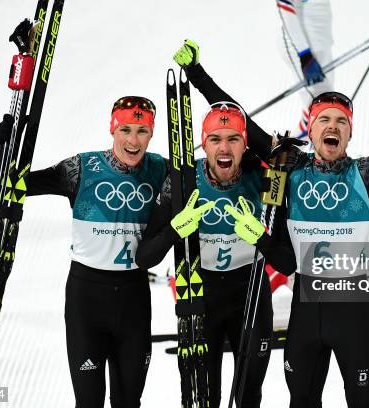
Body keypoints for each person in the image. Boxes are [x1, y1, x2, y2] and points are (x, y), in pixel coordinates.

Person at [171, 38, 369, 407]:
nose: (333, 126)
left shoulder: (367, 174)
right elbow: (240, 119)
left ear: (350, 133)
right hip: (305, 315)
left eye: (341, 121)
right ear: (309, 131)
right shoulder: (289, 166)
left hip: (353, 315)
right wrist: (196, 73)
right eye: (324, 119)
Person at [0, 96, 166, 407]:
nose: (133, 140)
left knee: (129, 402)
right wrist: (5, 150)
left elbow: (211, 175)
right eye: (125, 129)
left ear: (151, 133)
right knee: (88, 402)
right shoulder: (82, 169)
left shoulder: (160, 170)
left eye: (142, 130)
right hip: (87, 300)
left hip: (134, 301)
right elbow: (11, 185)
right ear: (112, 129)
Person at [135, 100, 295, 408]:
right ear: (203, 144)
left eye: (234, 138)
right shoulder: (182, 181)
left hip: (251, 296)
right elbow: (145, 258)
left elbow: (286, 264)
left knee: (249, 396)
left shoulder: (267, 180)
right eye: (215, 139)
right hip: (201, 295)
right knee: (205, 399)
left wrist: (261, 238)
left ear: (245, 145)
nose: (225, 147)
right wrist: (173, 230)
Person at [277, 0, 334, 140]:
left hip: (321, 43)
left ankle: (306, 146)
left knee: (324, 102)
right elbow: (286, 8)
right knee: (321, 107)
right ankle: (294, 152)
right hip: (302, 48)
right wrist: (305, 55)